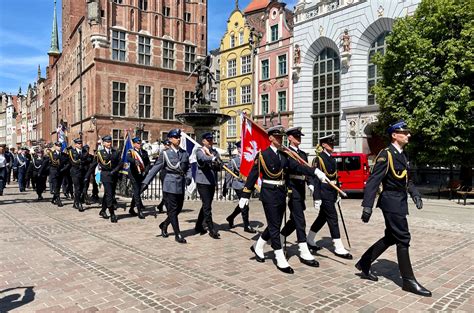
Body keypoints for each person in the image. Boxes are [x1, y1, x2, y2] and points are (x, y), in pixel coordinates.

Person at [240, 125, 330, 274]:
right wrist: (245, 194)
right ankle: (279, 256)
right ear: (270, 138)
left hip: (281, 192)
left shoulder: (284, 155)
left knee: (274, 224)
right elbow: (253, 175)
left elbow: (298, 167)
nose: (279, 139)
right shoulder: (262, 155)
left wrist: (315, 171)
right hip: (268, 193)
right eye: (276, 137)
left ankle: (258, 246)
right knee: (274, 226)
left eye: (281, 137)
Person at [356, 120, 431, 297]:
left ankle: (365, 263)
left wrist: (415, 194)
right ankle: (408, 281)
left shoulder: (403, 155)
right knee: (403, 238)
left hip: (400, 201)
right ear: (394, 135)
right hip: (390, 202)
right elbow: (374, 180)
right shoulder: (386, 154)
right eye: (405, 132)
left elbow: (407, 179)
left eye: (408, 132)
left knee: (391, 236)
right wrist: (367, 206)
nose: (408, 135)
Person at [306, 134, 352, 259]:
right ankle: (338, 247)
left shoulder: (332, 158)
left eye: (333, 143)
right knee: (333, 218)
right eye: (330, 143)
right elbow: (315, 178)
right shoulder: (318, 159)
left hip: (332, 191)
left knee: (322, 218)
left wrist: (338, 194)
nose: (332, 145)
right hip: (323, 191)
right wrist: (316, 197)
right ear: (323, 145)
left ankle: (309, 239)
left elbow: (335, 177)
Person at [279, 127, 319, 267]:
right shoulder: (286, 153)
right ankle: (303, 250)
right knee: (300, 220)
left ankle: (280, 237)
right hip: (291, 189)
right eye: (296, 136)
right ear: (289, 138)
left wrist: (310, 183)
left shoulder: (302, 153)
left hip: (300, 189)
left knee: (294, 220)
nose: (299, 139)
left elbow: (306, 171)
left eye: (300, 136)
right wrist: (314, 172)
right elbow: (296, 167)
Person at [151, 129, 192, 243]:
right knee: (173, 210)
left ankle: (164, 224)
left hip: (180, 184)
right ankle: (178, 234)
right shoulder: (165, 153)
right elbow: (155, 168)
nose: (178, 139)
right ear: (169, 139)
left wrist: (188, 177)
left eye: (179, 137)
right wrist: (145, 183)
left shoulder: (184, 153)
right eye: (175, 137)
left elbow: (188, 167)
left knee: (178, 209)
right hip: (169, 184)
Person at [195, 132, 222, 239]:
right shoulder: (199, 151)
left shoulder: (214, 152)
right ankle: (211, 229)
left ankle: (198, 225)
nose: (210, 142)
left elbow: (220, 165)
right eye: (208, 140)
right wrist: (212, 158)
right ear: (203, 141)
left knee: (206, 205)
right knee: (207, 206)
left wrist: (217, 162)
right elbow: (203, 159)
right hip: (202, 182)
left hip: (211, 182)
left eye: (211, 140)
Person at [225, 141, 257, 233]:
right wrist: (227, 186)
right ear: (238, 149)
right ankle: (246, 225)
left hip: (248, 184)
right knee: (245, 205)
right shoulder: (234, 161)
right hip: (238, 184)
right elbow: (229, 174)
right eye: (241, 147)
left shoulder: (249, 159)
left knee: (242, 204)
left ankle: (231, 217)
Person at [97, 135, 122, 223]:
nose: (109, 143)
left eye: (110, 141)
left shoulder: (115, 151)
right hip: (106, 175)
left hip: (114, 174)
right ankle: (112, 213)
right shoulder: (100, 152)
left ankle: (103, 210)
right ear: (103, 143)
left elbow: (120, 163)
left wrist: (115, 170)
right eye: (107, 142)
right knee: (110, 195)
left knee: (108, 194)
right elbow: (104, 164)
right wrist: (112, 156)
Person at [127, 137, 151, 219]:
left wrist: (146, 171)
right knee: (137, 191)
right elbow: (128, 158)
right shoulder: (131, 152)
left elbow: (148, 163)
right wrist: (134, 161)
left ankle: (131, 208)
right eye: (137, 143)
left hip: (142, 174)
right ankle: (139, 210)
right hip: (134, 174)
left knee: (141, 189)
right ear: (134, 144)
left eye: (140, 143)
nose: (139, 144)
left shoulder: (144, 152)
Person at [39, 142, 68, 207]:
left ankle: (53, 199)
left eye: (60, 146)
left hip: (61, 172)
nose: (59, 147)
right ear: (55, 146)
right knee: (55, 186)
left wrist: (64, 169)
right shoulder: (51, 154)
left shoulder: (64, 155)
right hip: (54, 173)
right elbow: (44, 164)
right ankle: (58, 200)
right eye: (58, 146)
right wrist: (40, 172)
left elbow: (68, 163)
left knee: (58, 186)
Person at [68, 138, 87, 212]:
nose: (80, 145)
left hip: (83, 172)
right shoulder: (71, 152)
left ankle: (75, 202)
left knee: (82, 188)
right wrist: (81, 160)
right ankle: (79, 203)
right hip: (75, 172)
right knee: (77, 188)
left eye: (81, 143)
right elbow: (73, 162)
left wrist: (82, 160)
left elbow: (87, 160)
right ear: (75, 144)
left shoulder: (84, 151)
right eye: (78, 143)